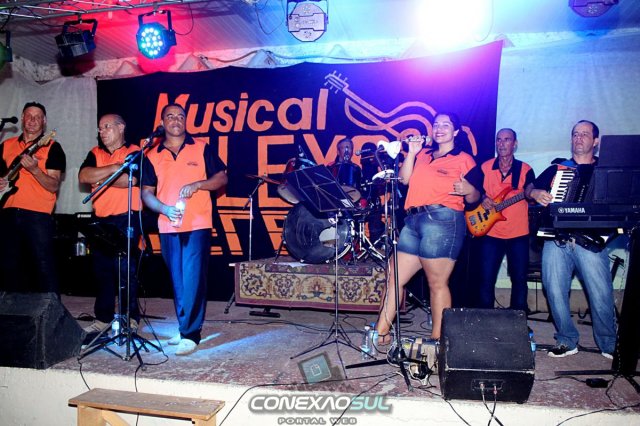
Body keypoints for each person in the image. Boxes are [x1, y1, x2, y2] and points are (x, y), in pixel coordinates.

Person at [375, 112, 480, 344]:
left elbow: (475, 198)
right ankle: (380, 333)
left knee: (436, 282)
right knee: (394, 276)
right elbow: (404, 180)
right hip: (413, 220)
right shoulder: (423, 154)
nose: (439, 128)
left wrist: (469, 190)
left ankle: (437, 341)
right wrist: (412, 153)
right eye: (436, 124)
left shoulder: (464, 159)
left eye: (446, 125)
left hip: (442, 220)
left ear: (455, 131)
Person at [525, 120, 617, 358]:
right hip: (557, 239)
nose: (579, 138)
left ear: (595, 141)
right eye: (575, 134)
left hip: (590, 241)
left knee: (601, 293)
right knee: (554, 290)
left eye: (585, 134)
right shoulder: (558, 168)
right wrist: (535, 192)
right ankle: (566, 339)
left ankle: (609, 343)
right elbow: (529, 188)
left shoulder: (607, 171)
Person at [141, 104, 228, 356]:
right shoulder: (152, 154)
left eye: (181, 116)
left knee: (193, 278)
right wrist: (164, 209)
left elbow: (222, 178)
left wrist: (199, 184)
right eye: (170, 116)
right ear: (162, 123)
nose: (176, 120)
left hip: (197, 223)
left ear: (185, 121)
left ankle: (191, 334)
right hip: (167, 225)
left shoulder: (201, 147)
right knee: (177, 280)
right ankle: (184, 326)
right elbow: (146, 193)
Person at [78, 114, 142, 333]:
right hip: (101, 219)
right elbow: (84, 176)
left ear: (121, 127)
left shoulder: (134, 151)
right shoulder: (95, 153)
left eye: (107, 126)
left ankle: (130, 318)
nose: (102, 131)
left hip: (126, 218)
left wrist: (100, 177)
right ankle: (103, 318)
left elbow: (130, 181)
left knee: (125, 271)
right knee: (102, 270)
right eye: (100, 128)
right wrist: (114, 167)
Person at [0, 101, 66, 294]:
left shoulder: (53, 147)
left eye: (38, 117)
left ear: (44, 121)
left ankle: (52, 310)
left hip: (38, 215)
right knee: (8, 266)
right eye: (29, 115)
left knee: (43, 267)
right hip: (7, 212)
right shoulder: (6, 145)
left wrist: (35, 170)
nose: (32, 120)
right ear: (22, 118)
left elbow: (53, 185)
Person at [469, 128, 535, 312]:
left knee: (519, 279)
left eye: (507, 139)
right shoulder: (485, 167)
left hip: (518, 232)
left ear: (515, 144)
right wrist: (483, 198)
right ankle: (485, 318)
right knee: (486, 278)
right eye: (499, 139)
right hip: (490, 231)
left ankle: (518, 319)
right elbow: (471, 190)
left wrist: (533, 193)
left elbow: (531, 193)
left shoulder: (525, 169)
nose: (502, 143)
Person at [327, 137, 362, 202]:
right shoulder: (331, 167)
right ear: (338, 152)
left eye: (350, 148)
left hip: (353, 198)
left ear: (352, 152)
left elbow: (360, 187)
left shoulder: (356, 168)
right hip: (333, 199)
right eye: (344, 148)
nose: (347, 150)